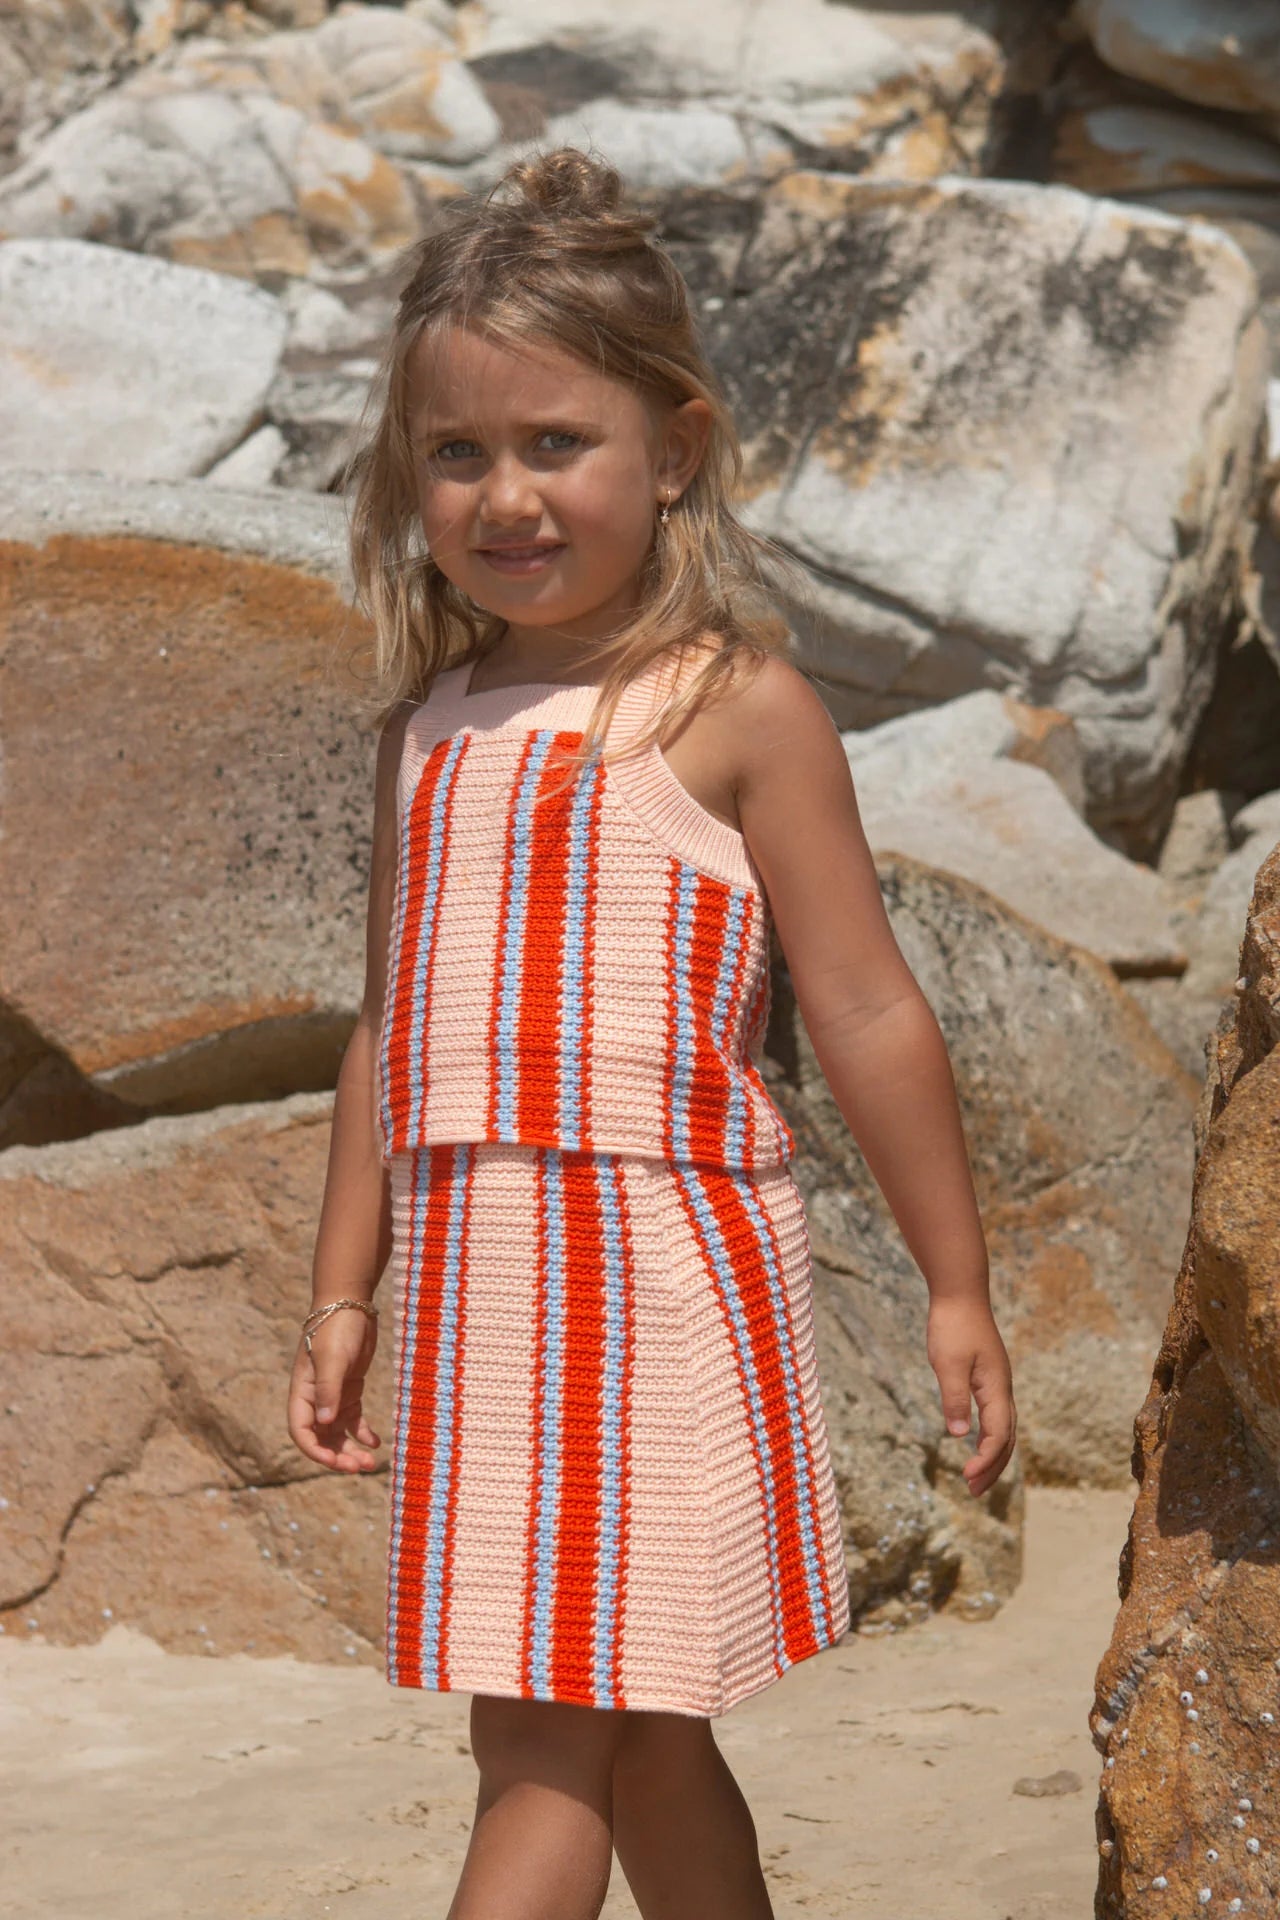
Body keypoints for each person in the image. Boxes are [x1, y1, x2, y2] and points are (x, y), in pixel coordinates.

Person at [286, 145, 1016, 1920]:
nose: (506, 496)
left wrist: (956, 1284)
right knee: (638, 1741)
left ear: (674, 450)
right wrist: (341, 1289)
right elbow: (393, 1028)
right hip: (483, 1296)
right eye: (457, 453)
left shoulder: (735, 707)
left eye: (557, 443)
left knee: (554, 1752)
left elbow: (864, 1005)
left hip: (653, 1287)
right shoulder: (429, 725)